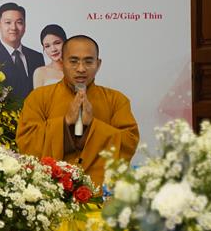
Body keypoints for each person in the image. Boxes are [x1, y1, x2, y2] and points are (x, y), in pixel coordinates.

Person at [16, 35, 139, 186]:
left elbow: (129, 143)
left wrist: (92, 125)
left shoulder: (116, 100)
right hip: (51, 191)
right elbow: (26, 142)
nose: (81, 69)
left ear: (98, 64)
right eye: (73, 61)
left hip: (99, 190)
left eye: (88, 61)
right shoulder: (39, 98)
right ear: (62, 62)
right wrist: (65, 122)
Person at [0, 2, 45, 104]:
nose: (13, 27)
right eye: (8, 22)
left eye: (19, 22)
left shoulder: (37, 57)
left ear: (24, 26)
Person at [31, 23, 67, 89]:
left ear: (66, 43)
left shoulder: (76, 69)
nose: (53, 49)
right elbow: (37, 95)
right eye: (47, 46)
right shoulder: (40, 73)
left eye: (57, 43)